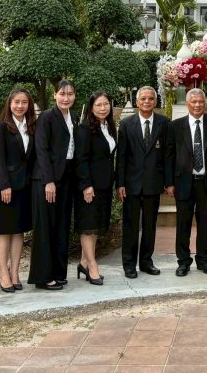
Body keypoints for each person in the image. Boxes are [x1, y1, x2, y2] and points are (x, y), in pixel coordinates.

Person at [164, 88, 207, 276]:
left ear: (204, 103)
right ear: (187, 104)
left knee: (205, 224)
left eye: (200, 102)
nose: (197, 105)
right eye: (194, 102)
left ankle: (204, 260)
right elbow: (169, 156)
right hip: (183, 182)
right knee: (183, 223)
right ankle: (183, 262)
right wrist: (169, 183)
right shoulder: (175, 126)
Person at [29, 79, 79, 290]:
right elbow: (41, 150)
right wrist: (48, 181)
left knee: (62, 226)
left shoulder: (74, 117)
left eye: (70, 94)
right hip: (47, 179)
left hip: (66, 177)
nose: (66, 98)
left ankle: (58, 272)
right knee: (45, 228)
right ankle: (43, 276)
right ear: (54, 95)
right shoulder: (47, 117)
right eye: (62, 94)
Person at [116, 86, 169, 279]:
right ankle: (129, 264)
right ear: (137, 102)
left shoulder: (164, 123)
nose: (147, 102)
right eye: (143, 99)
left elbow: (167, 155)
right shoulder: (126, 124)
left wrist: (168, 181)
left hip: (153, 182)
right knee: (130, 225)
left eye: (150, 98)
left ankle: (146, 261)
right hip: (131, 184)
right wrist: (120, 183)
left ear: (155, 102)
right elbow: (121, 156)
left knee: (149, 225)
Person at [0, 88, 37, 292]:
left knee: (19, 230)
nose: (20, 106)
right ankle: (3, 272)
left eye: (24, 102)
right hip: (6, 187)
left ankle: (15, 272)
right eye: (16, 102)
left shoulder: (32, 126)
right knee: (4, 231)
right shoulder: (1, 126)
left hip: (25, 186)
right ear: (9, 104)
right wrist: (4, 185)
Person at [74, 91, 117, 285]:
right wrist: (86, 185)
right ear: (91, 107)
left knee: (96, 225)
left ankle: (84, 262)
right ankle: (92, 266)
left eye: (106, 104)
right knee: (88, 226)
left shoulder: (109, 126)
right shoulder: (84, 129)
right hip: (89, 186)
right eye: (98, 105)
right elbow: (81, 159)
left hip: (105, 184)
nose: (103, 108)